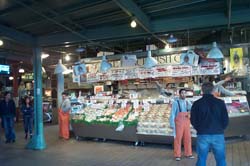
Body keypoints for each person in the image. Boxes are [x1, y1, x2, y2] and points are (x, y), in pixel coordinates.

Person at [191, 82, 229, 166]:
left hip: (203, 134)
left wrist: (199, 128)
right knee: (221, 159)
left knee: (201, 158)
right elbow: (225, 119)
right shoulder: (220, 103)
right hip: (218, 134)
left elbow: (193, 120)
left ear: (202, 90)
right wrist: (221, 128)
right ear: (213, 90)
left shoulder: (197, 103)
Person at [170, 89, 194, 161]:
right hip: (179, 123)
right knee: (178, 139)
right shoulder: (175, 102)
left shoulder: (187, 102)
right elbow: (172, 114)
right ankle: (177, 155)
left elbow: (192, 109)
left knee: (188, 138)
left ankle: (188, 153)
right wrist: (172, 124)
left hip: (186, 122)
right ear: (179, 94)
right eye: (182, 93)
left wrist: (189, 113)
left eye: (185, 93)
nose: (184, 95)